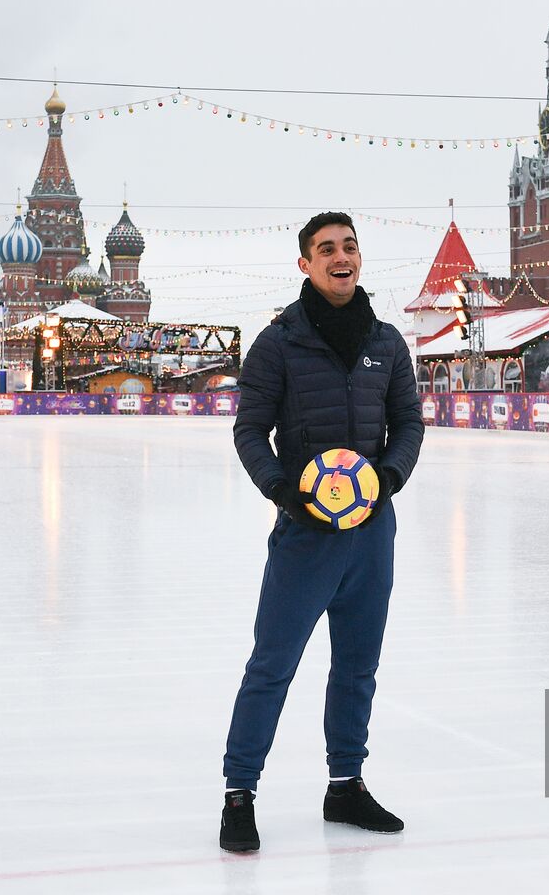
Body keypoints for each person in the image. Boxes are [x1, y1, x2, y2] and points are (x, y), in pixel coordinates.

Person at [221, 212, 424, 852]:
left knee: (358, 666)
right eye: (326, 249)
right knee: (272, 665)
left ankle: (346, 786)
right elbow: (250, 430)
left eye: (350, 247)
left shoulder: (387, 343)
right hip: (305, 536)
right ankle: (239, 794)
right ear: (305, 264)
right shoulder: (278, 342)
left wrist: (386, 479)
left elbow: (409, 424)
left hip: (371, 534)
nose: (342, 257)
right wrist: (284, 491)